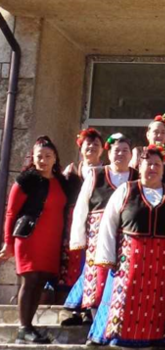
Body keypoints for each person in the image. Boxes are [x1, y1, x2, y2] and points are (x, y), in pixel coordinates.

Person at [93, 145, 165, 350]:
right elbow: (108, 226)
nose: (152, 168)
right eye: (148, 164)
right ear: (139, 166)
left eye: (157, 164)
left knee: (154, 307)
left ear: (163, 169)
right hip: (130, 259)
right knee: (127, 305)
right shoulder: (126, 190)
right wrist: (107, 258)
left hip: (161, 261)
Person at [1, 136, 73, 344]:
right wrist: (8, 242)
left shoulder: (60, 181)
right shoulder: (26, 180)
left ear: (55, 158)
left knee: (40, 282)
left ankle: (29, 326)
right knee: (30, 280)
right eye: (39, 156)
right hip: (29, 237)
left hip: (51, 240)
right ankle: (23, 327)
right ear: (32, 158)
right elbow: (11, 213)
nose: (43, 160)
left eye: (47, 156)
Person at [63, 134, 137, 326]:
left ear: (131, 155)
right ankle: (97, 324)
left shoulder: (136, 176)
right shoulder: (96, 175)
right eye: (116, 150)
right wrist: (79, 238)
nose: (120, 154)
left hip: (126, 234)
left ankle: (118, 321)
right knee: (97, 277)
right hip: (98, 235)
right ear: (109, 153)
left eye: (125, 151)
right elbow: (81, 208)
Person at [60, 128, 104, 314]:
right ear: (81, 148)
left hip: (99, 226)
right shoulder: (70, 173)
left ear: (102, 150)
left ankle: (89, 305)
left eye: (96, 145)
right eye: (88, 144)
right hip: (74, 225)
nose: (92, 148)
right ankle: (72, 305)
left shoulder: (105, 174)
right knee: (72, 265)